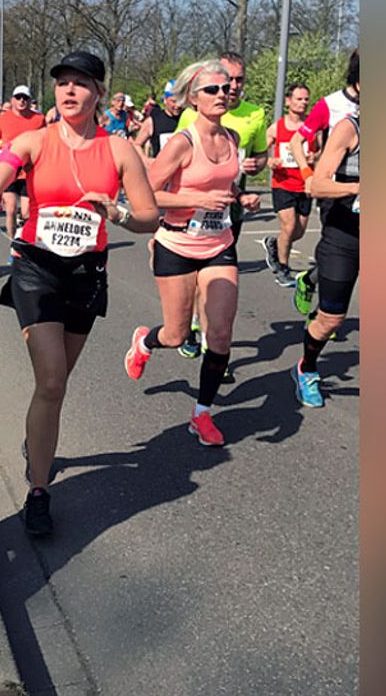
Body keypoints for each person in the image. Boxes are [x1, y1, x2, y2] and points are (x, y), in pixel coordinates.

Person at [0, 51, 159, 537]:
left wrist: (115, 210)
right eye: (62, 83)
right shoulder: (33, 140)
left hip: (86, 272)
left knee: (53, 388)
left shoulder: (119, 149)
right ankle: (39, 490)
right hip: (36, 268)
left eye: (80, 83)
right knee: (53, 381)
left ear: (98, 93)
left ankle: (35, 441)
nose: (68, 91)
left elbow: (150, 219)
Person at [124, 59, 261, 447]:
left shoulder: (233, 138)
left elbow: (223, 187)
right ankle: (144, 342)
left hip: (219, 245)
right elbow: (146, 195)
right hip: (178, 245)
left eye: (227, 88)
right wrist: (197, 198)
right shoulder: (183, 142)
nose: (223, 94)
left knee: (219, 334)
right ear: (192, 98)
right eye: (213, 89)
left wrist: (241, 195)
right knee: (176, 334)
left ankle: (202, 414)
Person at [174, 51, 267, 363]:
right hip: (190, 214)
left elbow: (260, 156)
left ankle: (209, 338)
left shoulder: (254, 115)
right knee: (200, 276)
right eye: (227, 81)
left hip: (229, 208)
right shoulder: (191, 115)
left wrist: (255, 166)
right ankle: (196, 330)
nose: (232, 87)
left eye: (238, 81)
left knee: (215, 276)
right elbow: (170, 168)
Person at [286, 49, 360, 317]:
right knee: (339, 256)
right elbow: (296, 141)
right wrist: (307, 174)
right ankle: (321, 311)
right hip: (335, 190)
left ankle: (312, 284)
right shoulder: (329, 104)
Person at [292, 114, 359, 407]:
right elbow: (317, 186)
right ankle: (307, 368)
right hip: (344, 236)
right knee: (331, 319)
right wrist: (358, 187)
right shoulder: (349, 128)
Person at [262, 83, 313, 286]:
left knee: (297, 232)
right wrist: (269, 161)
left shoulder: (311, 126)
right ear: (288, 101)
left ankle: (274, 243)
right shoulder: (277, 127)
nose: (303, 103)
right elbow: (260, 152)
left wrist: (313, 158)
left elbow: (320, 153)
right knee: (289, 226)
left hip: (304, 185)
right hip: (282, 183)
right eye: (299, 99)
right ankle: (283, 268)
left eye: (306, 99)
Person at [0, 85, 45, 255]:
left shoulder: (39, 119)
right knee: (11, 209)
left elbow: (46, 141)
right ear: (12, 100)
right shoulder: (3, 119)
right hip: (10, 171)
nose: (22, 101)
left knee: (27, 213)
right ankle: (13, 244)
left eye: (25, 98)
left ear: (30, 101)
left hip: (30, 172)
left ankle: (23, 235)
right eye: (18, 97)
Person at [131, 80, 182, 162]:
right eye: (173, 101)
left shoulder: (188, 117)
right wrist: (145, 160)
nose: (178, 105)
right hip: (161, 170)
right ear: (165, 100)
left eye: (180, 101)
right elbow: (137, 145)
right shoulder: (153, 121)